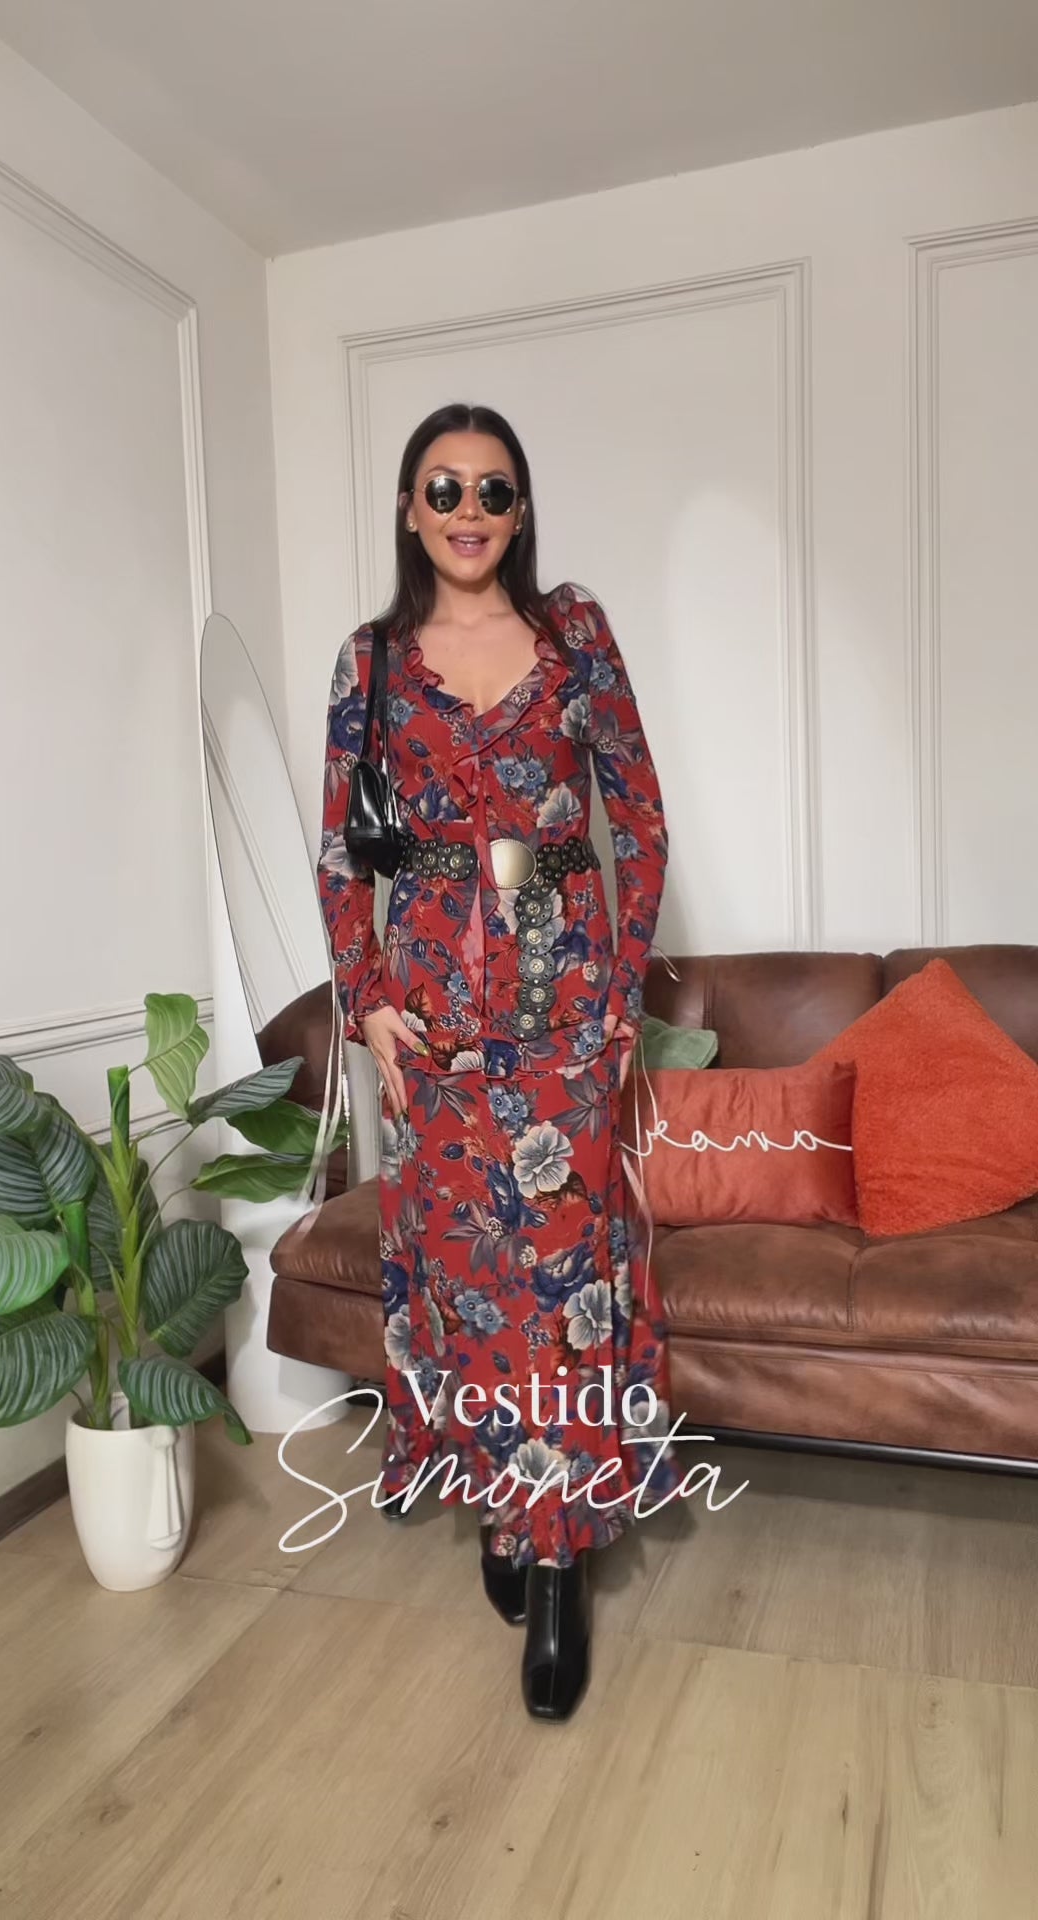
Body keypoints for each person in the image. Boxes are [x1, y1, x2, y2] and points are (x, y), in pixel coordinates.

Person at [317, 401, 676, 1721]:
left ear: (522, 512)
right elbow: (342, 852)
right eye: (445, 489)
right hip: (429, 1003)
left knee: (564, 1279)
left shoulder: (575, 637)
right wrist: (367, 1003)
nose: (469, 512)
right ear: (409, 510)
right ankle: (498, 1498)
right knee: (467, 1279)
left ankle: (561, 1558)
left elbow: (638, 819)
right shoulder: (370, 661)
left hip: (557, 984)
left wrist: (619, 992)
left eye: (494, 491)